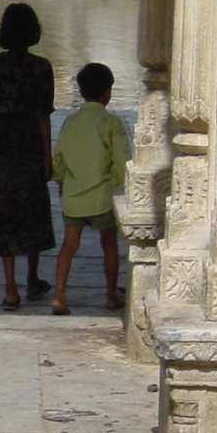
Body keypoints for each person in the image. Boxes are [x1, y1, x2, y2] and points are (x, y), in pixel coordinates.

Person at [0, 3, 55, 311]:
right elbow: (43, 113)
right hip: (30, 139)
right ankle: (33, 278)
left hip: (1, 138)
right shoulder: (42, 67)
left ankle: (10, 288)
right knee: (33, 207)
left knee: (2, 208)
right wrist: (48, 157)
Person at [50, 62, 132, 315]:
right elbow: (122, 159)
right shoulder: (111, 123)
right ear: (108, 92)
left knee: (69, 244)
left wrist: (61, 181)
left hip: (74, 196)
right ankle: (110, 296)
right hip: (102, 197)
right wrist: (123, 183)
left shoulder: (70, 122)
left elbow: (59, 158)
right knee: (109, 244)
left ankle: (59, 295)